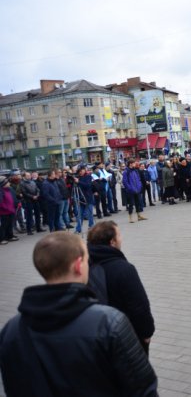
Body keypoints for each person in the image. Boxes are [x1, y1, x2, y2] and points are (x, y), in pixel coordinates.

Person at [0, 232, 157, 396]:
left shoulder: (11, 330)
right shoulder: (108, 323)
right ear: (78, 265)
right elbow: (143, 389)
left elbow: (13, 385)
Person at [87, 221, 155, 353]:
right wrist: (146, 333)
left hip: (96, 337)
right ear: (112, 242)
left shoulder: (84, 266)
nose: (121, 239)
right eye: (119, 235)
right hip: (125, 337)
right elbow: (139, 306)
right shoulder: (124, 269)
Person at [72, 165, 95, 234]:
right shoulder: (78, 177)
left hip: (88, 198)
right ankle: (78, 229)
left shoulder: (88, 176)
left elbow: (87, 185)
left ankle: (91, 226)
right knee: (80, 215)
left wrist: (79, 182)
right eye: (79, 171)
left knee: (90, 214)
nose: (81, 172)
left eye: (82, 170)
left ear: (84, 170)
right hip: (80, 198)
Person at [0, 176, 19, 244]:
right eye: (7, 182)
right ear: (3, 183)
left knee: (10, 224)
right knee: (4, 225)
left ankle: (10, 236)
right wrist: (8, 208)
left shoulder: (10, 189)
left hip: (11, 210)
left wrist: (17, 203)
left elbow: (14, 197)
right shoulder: (1, 191)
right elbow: (1, 203)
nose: (8, 183)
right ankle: (2, 238)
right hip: (4, 212)